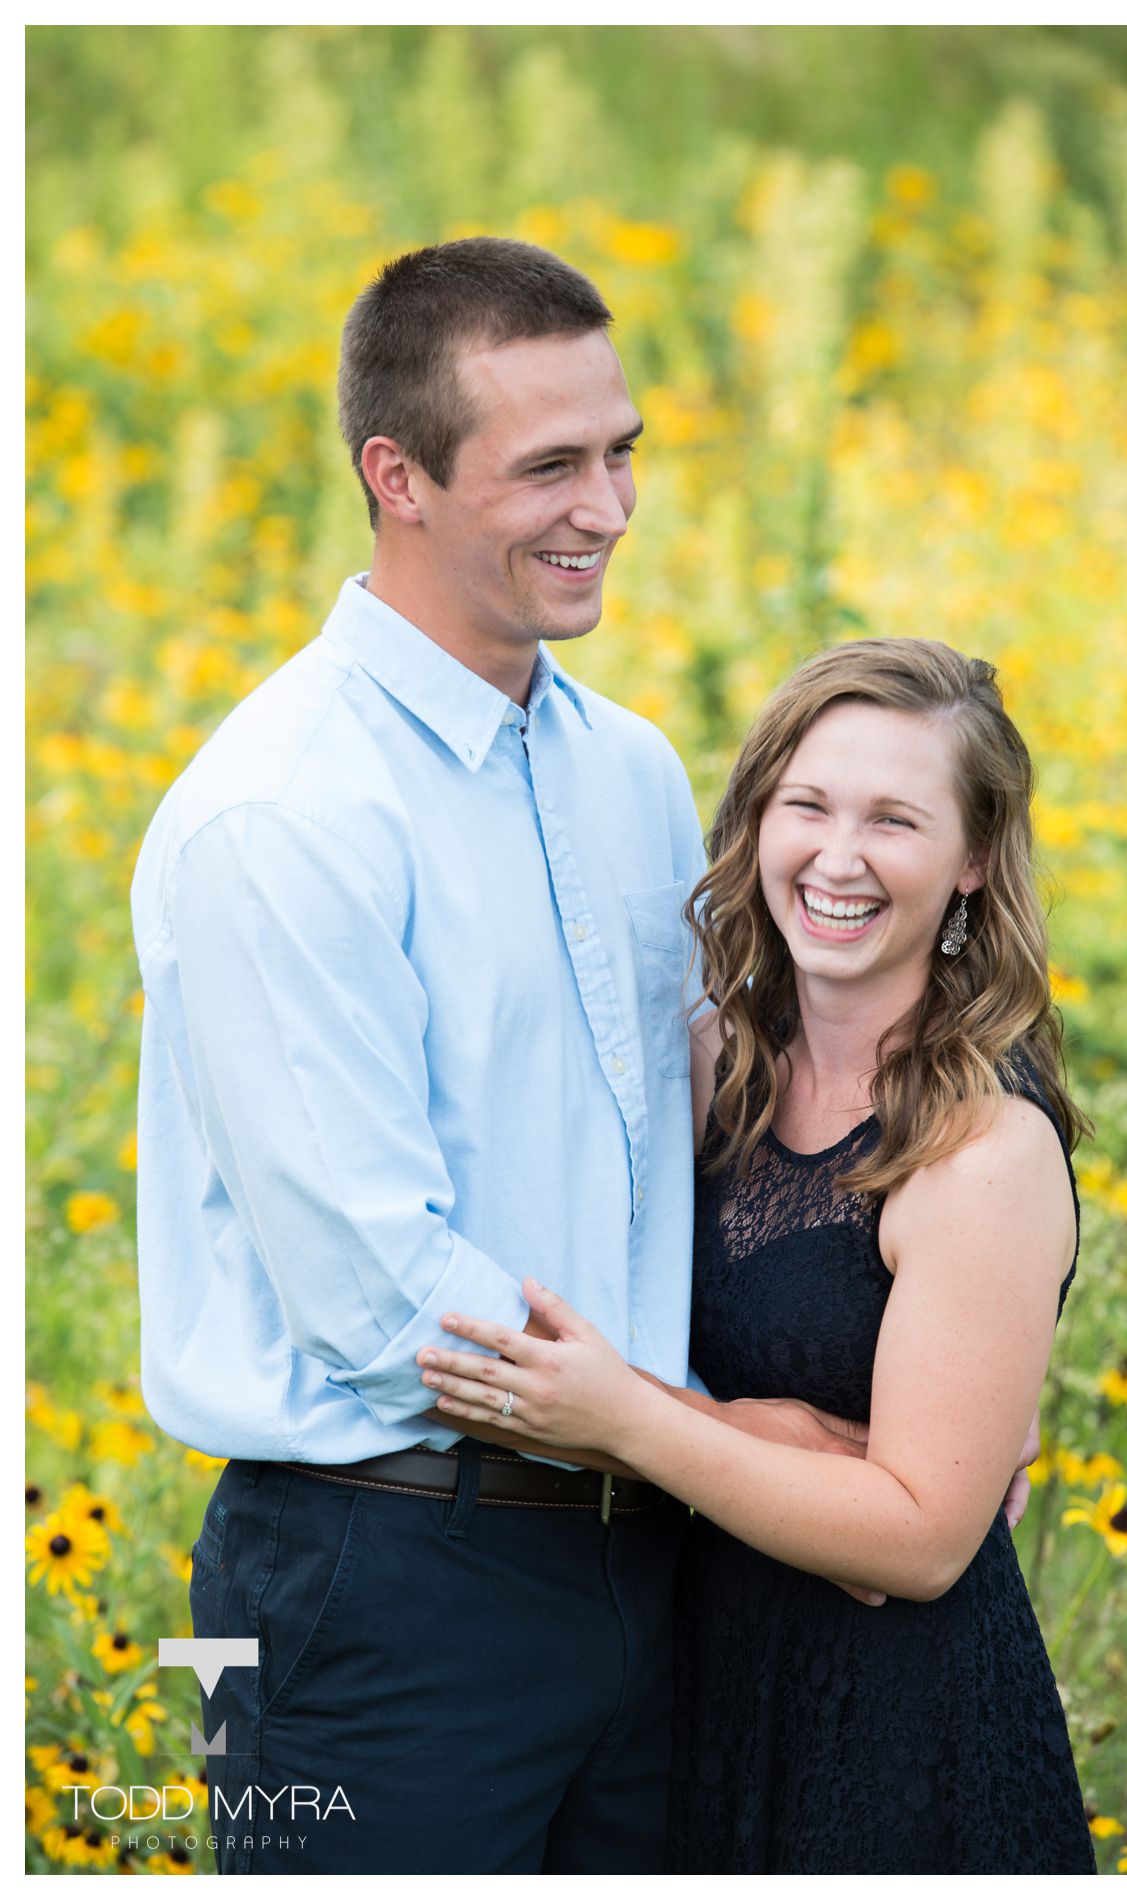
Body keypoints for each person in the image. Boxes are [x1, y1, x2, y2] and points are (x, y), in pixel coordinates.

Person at [131, 238, 899, 1877]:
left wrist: (918, 1319)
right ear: (393, 476)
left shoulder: (622, 768)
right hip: (372, 1590)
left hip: (643, 1566)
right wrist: (711, 1434)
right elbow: (375, 1289)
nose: (607, 507)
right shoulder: (284, 814)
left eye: (620, 451)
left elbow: (693, 1119)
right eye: (549, 465)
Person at [418, 637, 1099, 1875]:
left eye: (895, 819)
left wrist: (639, 1418)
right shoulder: (707, 1062)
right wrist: (769, 1425)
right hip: (684, 1678)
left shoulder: (979, 1146)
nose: (837, 858)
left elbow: (918, 1539)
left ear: (972, 862)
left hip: (891, 1727)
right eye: (807, 806)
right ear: (754, 822)